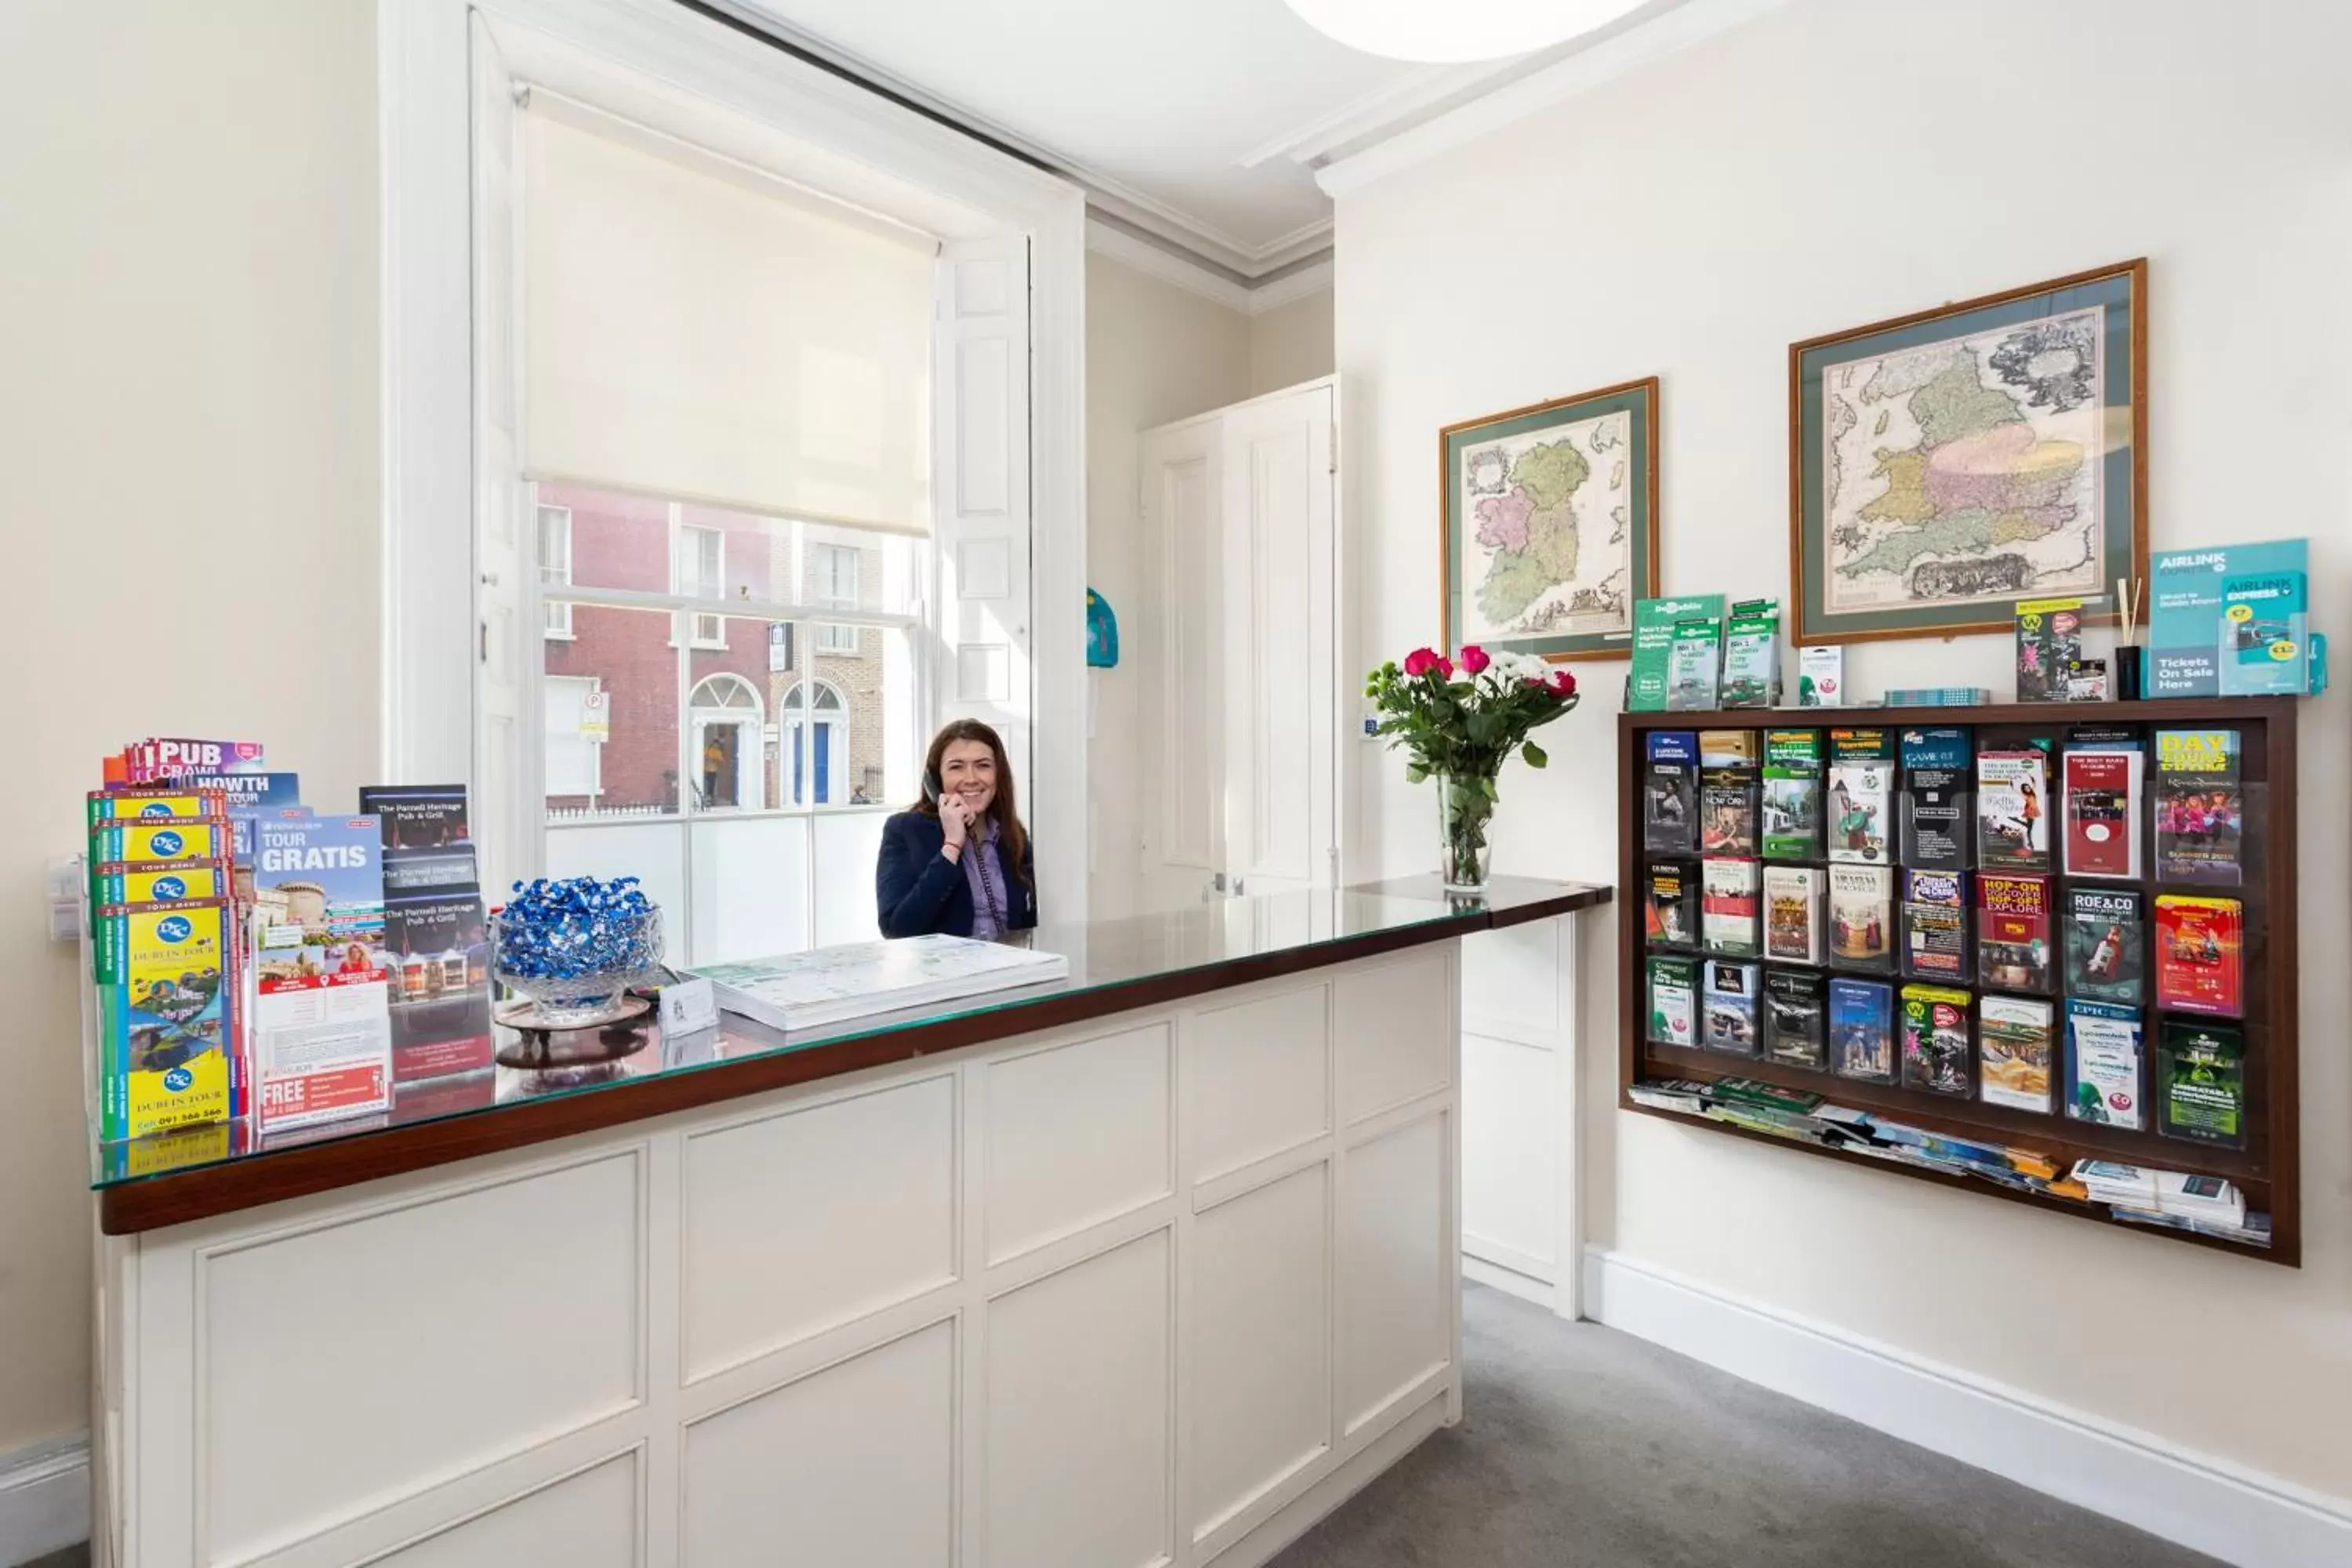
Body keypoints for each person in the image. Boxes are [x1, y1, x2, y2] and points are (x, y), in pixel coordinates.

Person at [877, 719, 1037, 938]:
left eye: (983, 765)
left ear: (997, 776)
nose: (971, 779)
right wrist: (951, 846)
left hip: (1008, 968)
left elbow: (1028, 920)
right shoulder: (904, 830)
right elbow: (896, 930)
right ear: (935, 779)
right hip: (944, 972)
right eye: (956, 767)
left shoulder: (1012, 833)